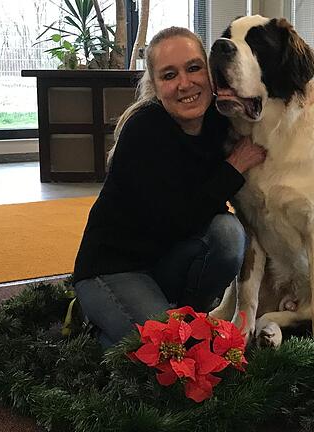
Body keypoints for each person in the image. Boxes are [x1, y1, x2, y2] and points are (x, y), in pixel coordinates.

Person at [72, 27, 266, 348]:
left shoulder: (220, 118)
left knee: (228, 232)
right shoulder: (144, 130)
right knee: (170, 351)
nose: (185, 84)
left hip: (167, 263)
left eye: (193, 68)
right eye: (169, 75)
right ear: (155, 85)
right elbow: (176, 219)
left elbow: (273, 92)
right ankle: (97, 323)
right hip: (114, 269)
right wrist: (234, 168)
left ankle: (183, 315)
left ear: (210, 71)